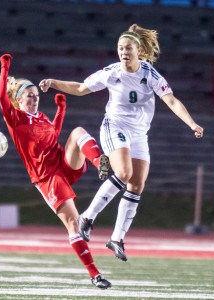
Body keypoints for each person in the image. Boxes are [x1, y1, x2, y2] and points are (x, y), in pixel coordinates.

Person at [39, 24, 204, 262]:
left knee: (136, 185)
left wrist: (192, 123)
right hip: (114, 127)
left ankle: (116, 238)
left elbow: (172, 101)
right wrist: (54, 82)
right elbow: (81, 88)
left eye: (128, 48)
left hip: (139, 134)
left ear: (138, 50)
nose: (123, 52)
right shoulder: (112, 72)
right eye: (120, 48)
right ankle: (87, 217)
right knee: (124, 172)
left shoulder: (150, 75)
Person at [0, 53, 112, 289]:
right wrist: (5, 67)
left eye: (37, 96)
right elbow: (1, 97)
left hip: (63, 164)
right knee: (74, 223)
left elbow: (54, 132)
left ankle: (101, 162)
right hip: (47, 178)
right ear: (18, 100)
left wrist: (61, 109)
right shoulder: (15, 118)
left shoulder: (41, 117)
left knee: (78, 131)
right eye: (30, 95)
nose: (35, 99)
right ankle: (95, 274)